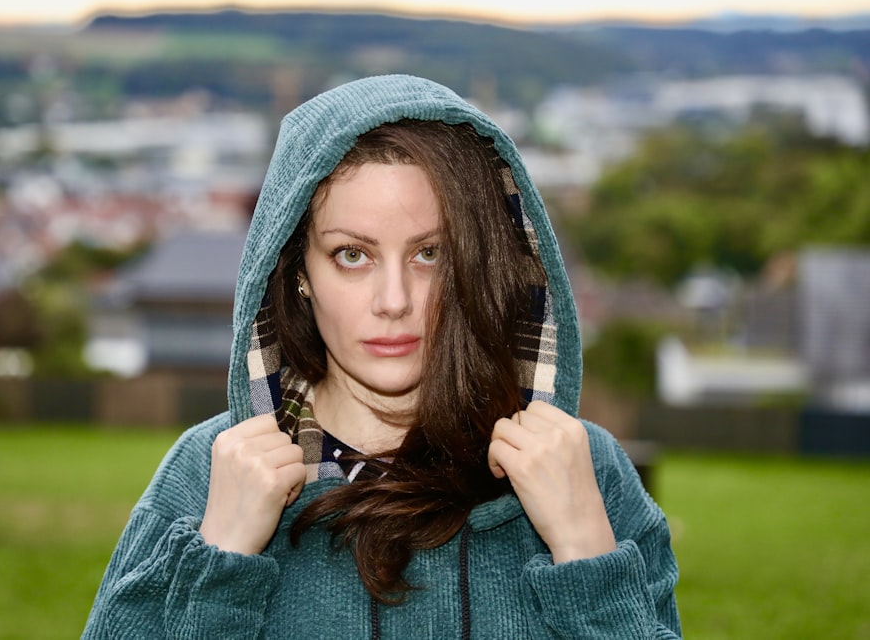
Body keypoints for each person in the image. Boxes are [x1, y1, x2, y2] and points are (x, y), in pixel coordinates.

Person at [81, 74, 681, 639]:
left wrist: (584, 549)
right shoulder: (208, 477)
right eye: (351, 255)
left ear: (478, 267)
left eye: (430, 254)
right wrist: (222, 558)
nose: (393, 301)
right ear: (297, 274)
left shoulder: (584, 471)